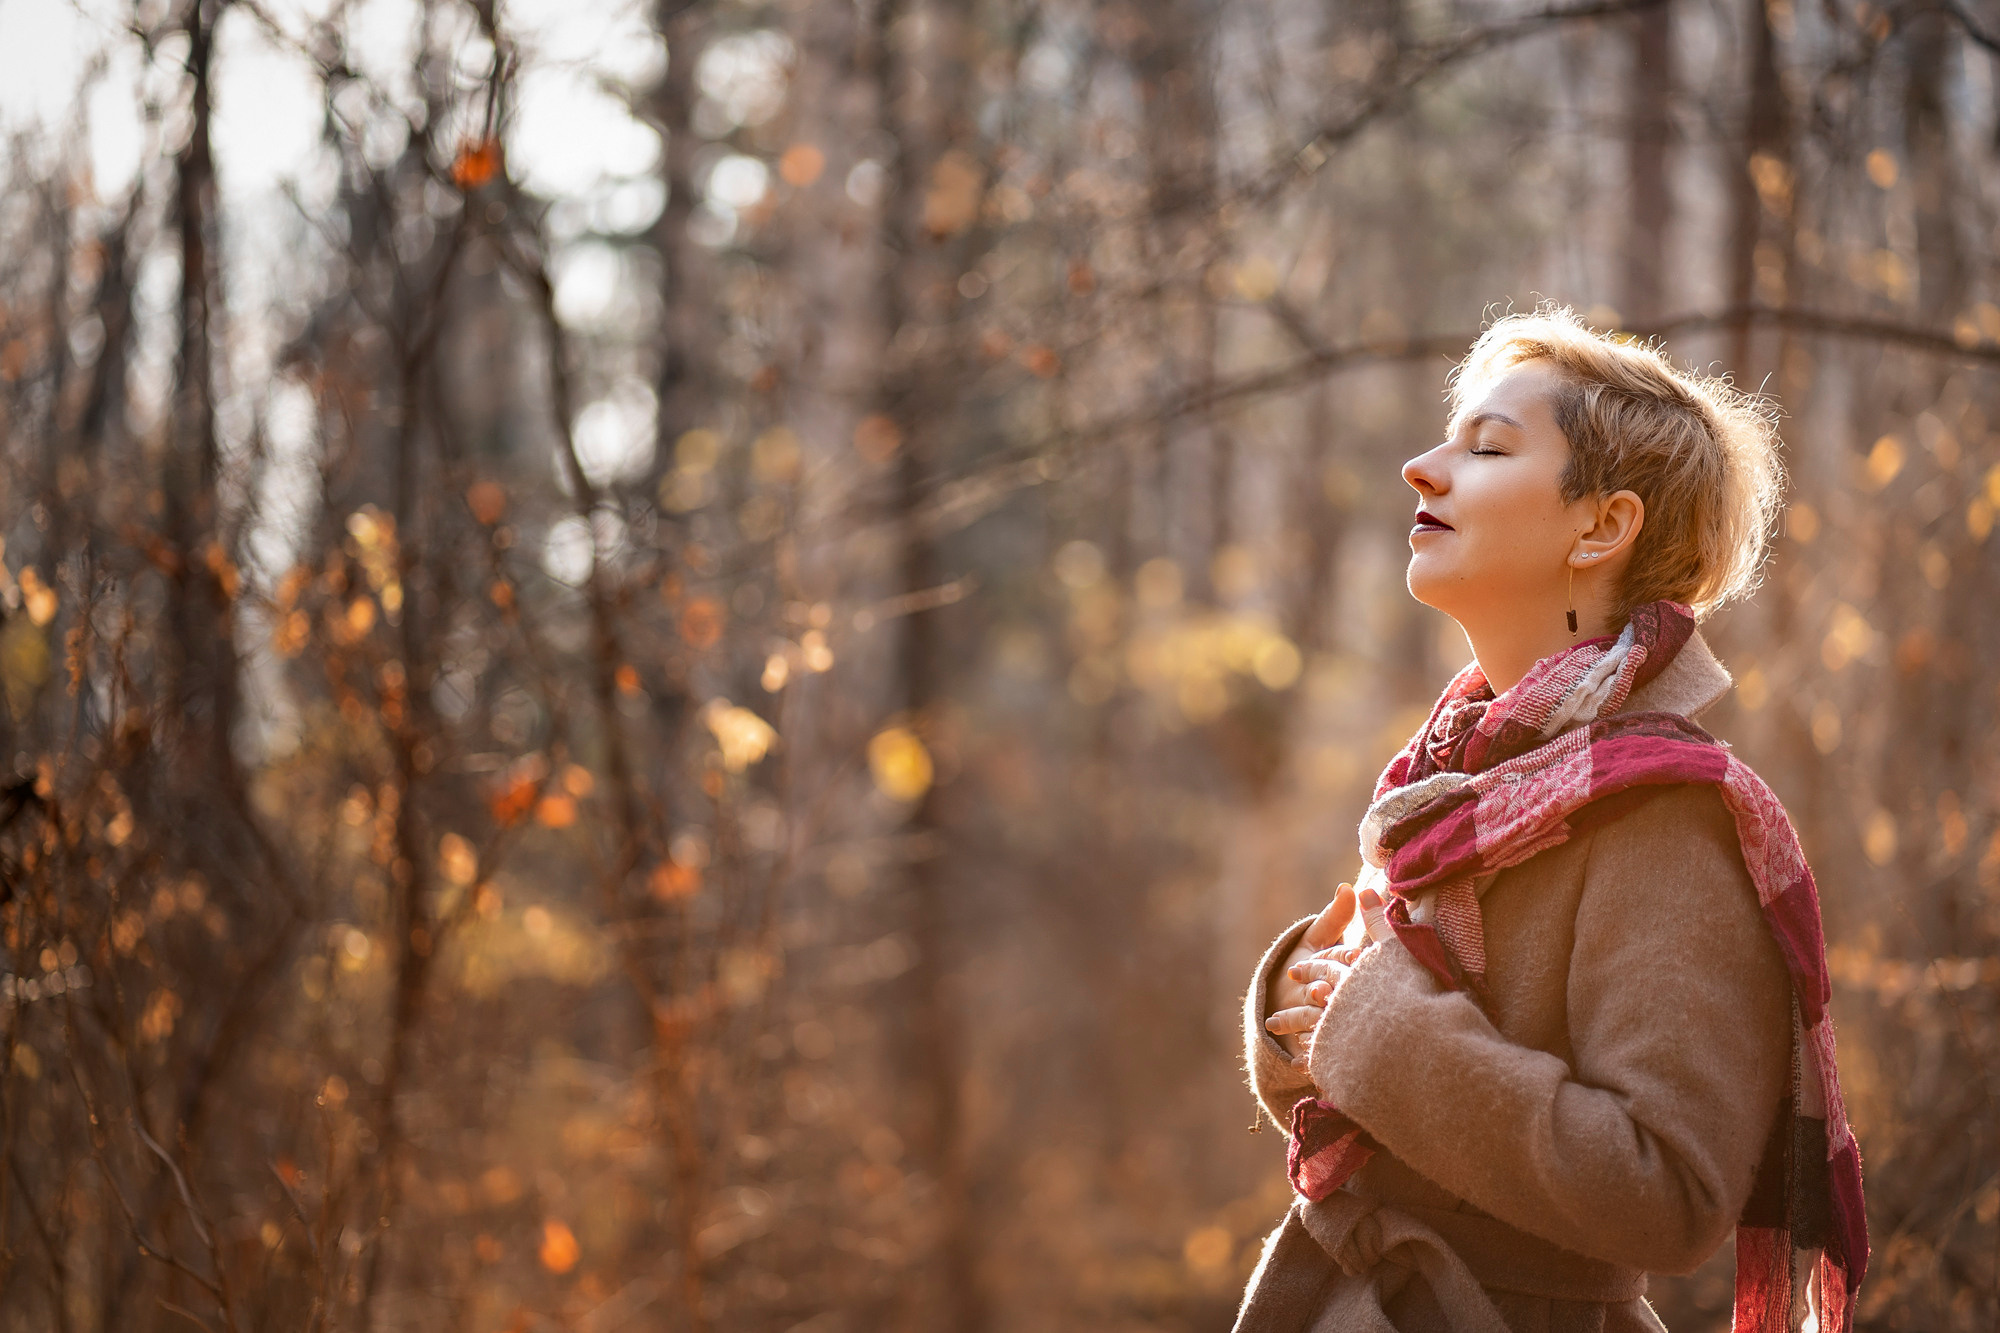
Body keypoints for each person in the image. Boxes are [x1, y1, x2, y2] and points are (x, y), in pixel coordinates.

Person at [1233, 306, 1867, 1333]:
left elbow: (1668, 1194)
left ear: (1600, 526)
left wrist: (1372, 1027)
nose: (1420, 468)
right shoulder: (1451, 780)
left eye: (1484, 447)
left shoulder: (1667, 817)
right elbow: (1390, 1076)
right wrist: (1302, 1013)